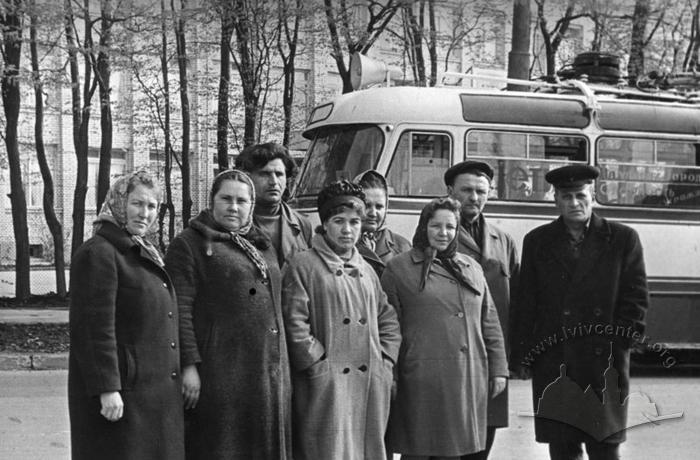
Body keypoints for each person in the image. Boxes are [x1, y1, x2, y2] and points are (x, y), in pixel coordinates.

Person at [510, 165, 649, 460]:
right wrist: (522, 355)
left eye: (580, 195)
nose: (574, 203)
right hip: (555, 359)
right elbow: (526, 302)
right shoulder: (537, 241)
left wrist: (620, 342)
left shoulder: (623, 238)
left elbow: (635, 298)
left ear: (593, 196)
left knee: (605, 448)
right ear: (555, 200)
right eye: (566, 196)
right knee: (562, 448)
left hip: (603, 362)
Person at [164, 169, 291, 459]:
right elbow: (178, 310)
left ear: (251, 205)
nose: (233, 206)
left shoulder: (261, 244)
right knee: (224, 446)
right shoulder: (189, 244)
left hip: (266, 370)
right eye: (226, 199)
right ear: (212, 201)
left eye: (242, 201)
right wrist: (188, 366)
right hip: (220, 371)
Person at [281, 180, 401, 460]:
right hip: (327, 385)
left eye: (354, 222)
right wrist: (317, 363)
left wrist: (385, 360)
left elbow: (388, 319)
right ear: (325, 223)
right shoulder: (303, 265)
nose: (348, 230)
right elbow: (294, 323)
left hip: (369, 383)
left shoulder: (367, 269)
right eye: (339, 221)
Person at [68, 170, 184, 460]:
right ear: (119, 202)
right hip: (122, 395)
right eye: (137, 203)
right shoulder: (99, 252)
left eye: (152, 206)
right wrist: (107, 388)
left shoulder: (141, 249)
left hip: (151, 394)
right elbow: (94, 328)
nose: (144, 213)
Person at [381, 197, 508, 460]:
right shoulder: (399, 268)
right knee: (417, 451)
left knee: (454, 452)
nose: (443, 233)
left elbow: (490, 321)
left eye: (450, 227)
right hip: (419, 378)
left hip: (466, 377)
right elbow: (387, 326)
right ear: (423, 226)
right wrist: (389, 373)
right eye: (436, 226)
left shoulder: (471, 267)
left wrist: (498, 369)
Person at [445, 160, 519, 459]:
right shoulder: (439, 234)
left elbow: (517, 299)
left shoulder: (503, 240)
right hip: (453, 354)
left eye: (481, 191)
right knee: (449, 441)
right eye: (466, 190)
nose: (474, 197)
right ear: (450, 192)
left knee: (483, 441)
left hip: (491, 354)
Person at [235, 142, 313, 266]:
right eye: (265, 174)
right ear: (248, 177)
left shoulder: (302, 224)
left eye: (279, 174)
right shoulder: (234, 222)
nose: (274, 182)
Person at [353, 169, 411, 276]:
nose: (373, 213)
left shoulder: (403, 247)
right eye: (367, 205)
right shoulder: (343, 243)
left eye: (379, 207)